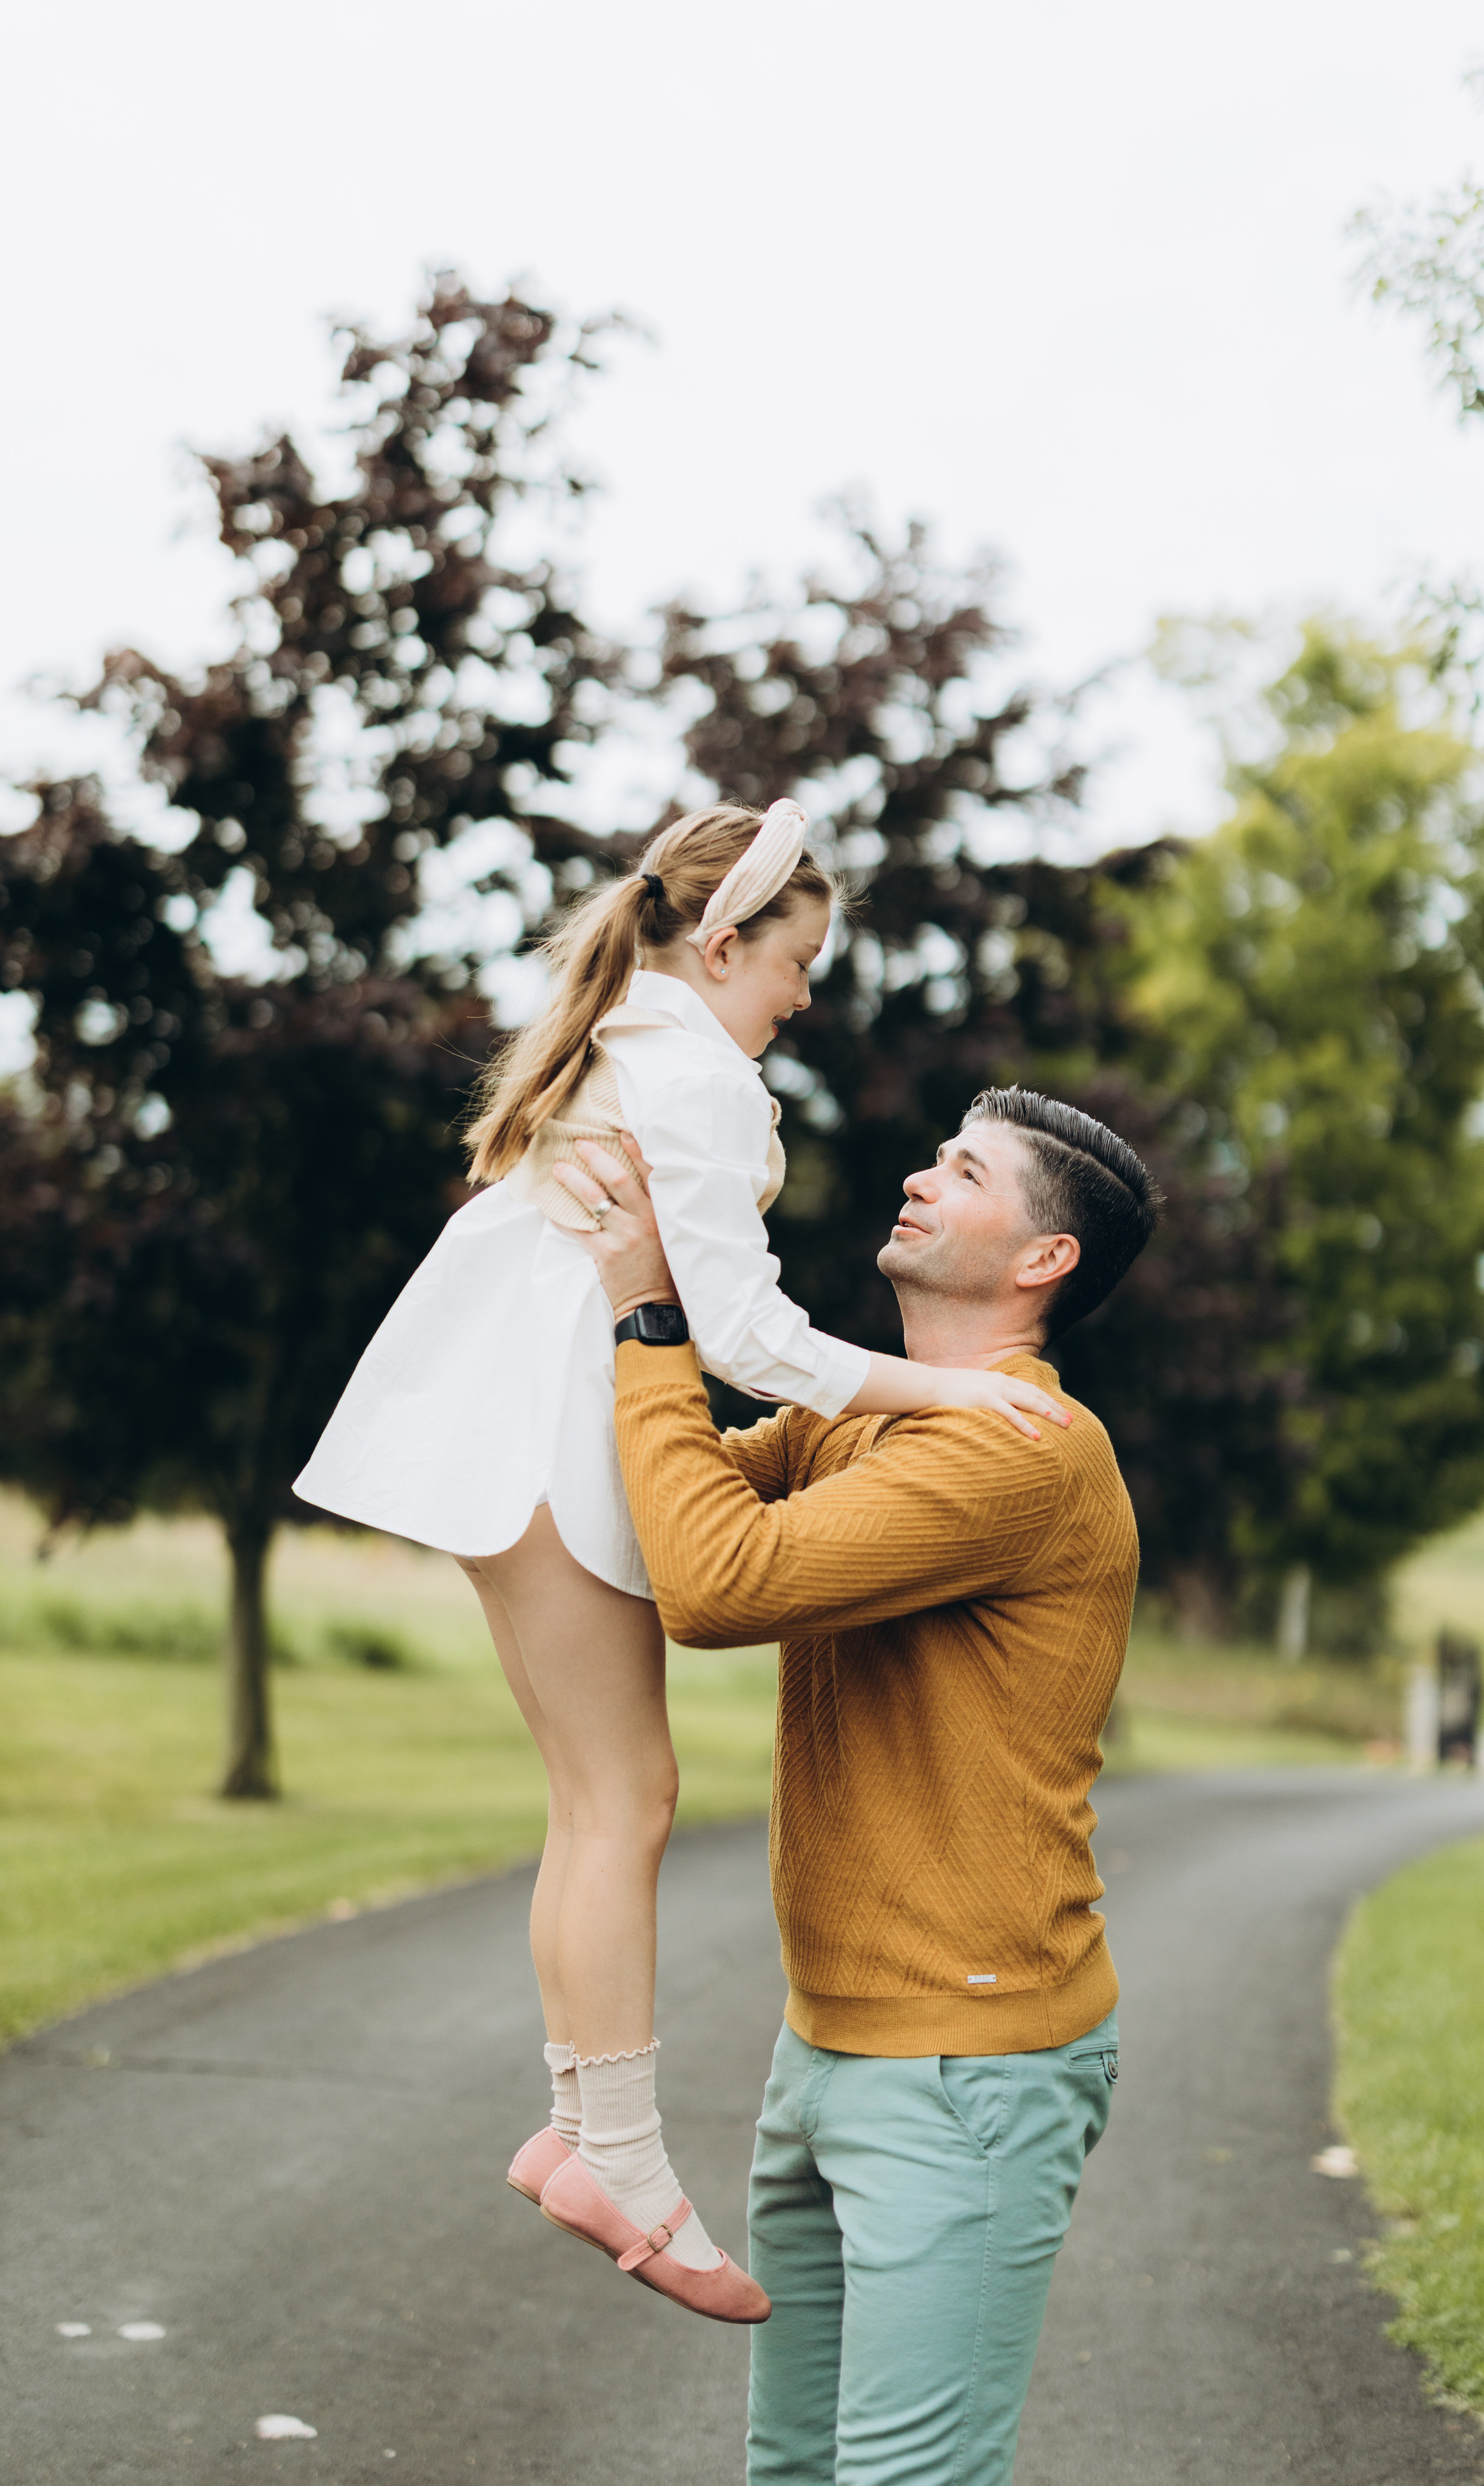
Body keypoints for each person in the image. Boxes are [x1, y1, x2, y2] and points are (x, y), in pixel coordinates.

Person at [292, 801, 1067, 2325]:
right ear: (722, 945)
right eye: (796, 963)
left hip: (503, 1433)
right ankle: (621, 2163)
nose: (801, 995)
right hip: (549, 1440)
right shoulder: (691, 1075)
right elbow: (746, 1334)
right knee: (623, 1800)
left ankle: (588, 2137)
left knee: (596, 1801)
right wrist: (948, 1392)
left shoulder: (634, 1047)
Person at [558, 1082, 1157, 2485]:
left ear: (1041, 1261)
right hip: (826, 2045)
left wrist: (653, 1316)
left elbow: (716, 1583)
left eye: (962, 1170)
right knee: (793, 2473)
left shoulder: (1016, 1448)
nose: (917, 1177)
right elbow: (667, 1509)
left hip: (966, 2067)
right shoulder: (864, 1421)